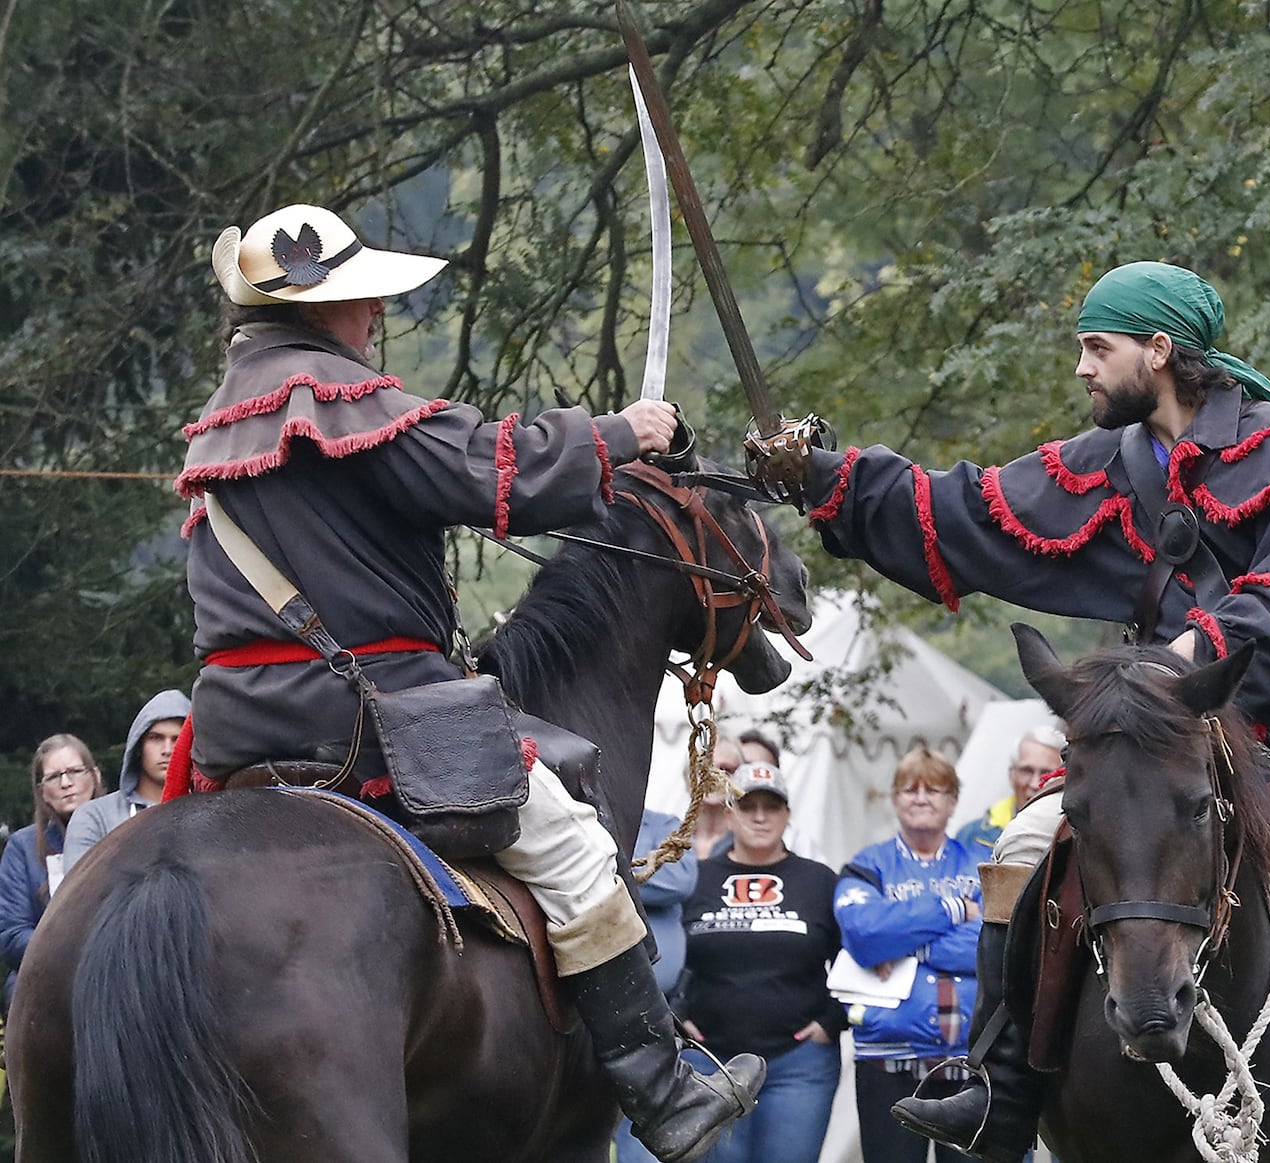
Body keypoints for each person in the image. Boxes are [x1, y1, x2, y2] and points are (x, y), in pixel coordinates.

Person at [750, 260, 1270, 1162]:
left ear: (1160, 350)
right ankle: (999, 1088)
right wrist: (827, 476)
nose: (1084, 369)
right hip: (1146, 731)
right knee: (1021, 846)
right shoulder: (1113, 463)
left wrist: (1187, 658)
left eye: (1099, 348)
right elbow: (967, 510)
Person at [174, 203, 761, 1163]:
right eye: (367, 302)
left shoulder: (219, 424)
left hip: (240, 728)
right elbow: (494, 469)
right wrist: (621, 431)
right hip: (361, 717)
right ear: (332, 309)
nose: (376, 321)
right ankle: (662, 1091)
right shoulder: (333, 393)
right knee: (573, 846)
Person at [680, 762, 845, 1163]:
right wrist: (676, 1015)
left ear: (787, 814)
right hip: (709, 1062)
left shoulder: (820, 881)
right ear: (729, 812)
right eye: (747, 804)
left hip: (797, 1066)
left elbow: (856, 962)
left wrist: (831, 1020)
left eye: (771, 806)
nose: (759, 816)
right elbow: (660, 954)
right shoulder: (693, 879)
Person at [834, 748, 982, 1163]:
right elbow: (863, 933)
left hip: (969, 1062)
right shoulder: (867, 865)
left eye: (934, 788)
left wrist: (903, 944)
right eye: (909, 789)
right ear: (895, 799)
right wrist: (952, 911)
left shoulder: (982, 866)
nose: (921, 798)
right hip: (887, 1061)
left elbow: (990, 945)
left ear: (953, 801)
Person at [616, 807, 700, 1163]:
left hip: (659, 1010)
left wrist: (606, 873)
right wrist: (639, 869)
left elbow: (680, 878)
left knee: (648, 1136)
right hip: (579, 1006)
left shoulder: (663, 823)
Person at [0, 734, 103, 1006]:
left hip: (113, 977)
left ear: (95, 776)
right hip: (44, 984)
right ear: (42, 790)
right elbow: (11, 936)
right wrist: (73, 951)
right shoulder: (21, 848)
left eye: (74, 772)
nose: (66, 783)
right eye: (54, 776)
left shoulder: (122, 832)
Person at [61, 689, 189, 873]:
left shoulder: (210, 816)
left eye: (178, 739)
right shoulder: (95, 818)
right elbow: (77, 896)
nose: (167, 750)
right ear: (139, 746)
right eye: (155, 738)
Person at [953, 726, 1065, 858]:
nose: (1035, 784)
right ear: (1011, 775)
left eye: (1047, 773)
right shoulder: (973, 835)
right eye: (1027, 771)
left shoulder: (1070, 838)